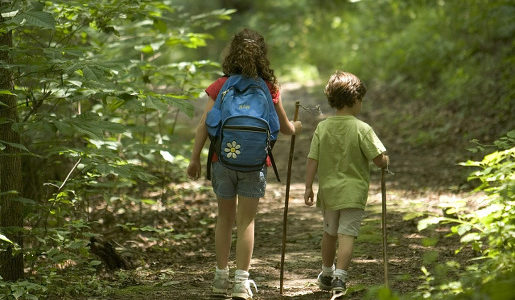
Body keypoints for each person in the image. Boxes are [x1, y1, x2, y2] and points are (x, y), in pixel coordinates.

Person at [187, 28, 302, 299]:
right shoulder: (269, 87)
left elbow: (204, 125)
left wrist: (194, 158)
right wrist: (296, 125)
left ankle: (219, 279)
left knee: (224, 219)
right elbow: (285, 128)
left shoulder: (221, 85)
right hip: (254, 164)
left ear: (232, 53)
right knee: (246, 221)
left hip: (221, 160)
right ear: (262, 55)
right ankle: (241, 283)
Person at [304, 71, 389, 296]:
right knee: (347, 234)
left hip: (330, 192)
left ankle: (326, 273)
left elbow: (312, 158)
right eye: (361, 99)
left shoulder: (323, 127)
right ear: (354, 99)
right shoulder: (362, 129)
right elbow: (379, 159)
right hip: (353, 193)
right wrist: (386, 161)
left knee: (330, 232)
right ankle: (340, 277)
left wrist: (308, 186)